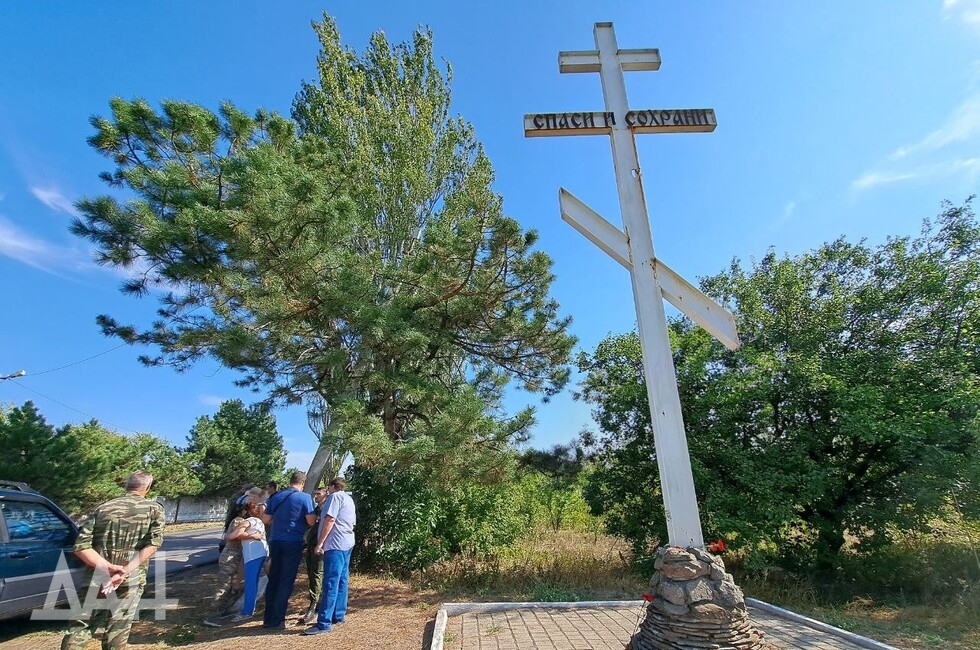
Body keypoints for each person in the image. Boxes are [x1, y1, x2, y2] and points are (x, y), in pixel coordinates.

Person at [62, 471, 165, 650]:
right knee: (118, 626)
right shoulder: (154, 509)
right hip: (130, 579)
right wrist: (124, 571)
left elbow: (80, 546)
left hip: (96, 577)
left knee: (80, 625)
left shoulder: (102, 508)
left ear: (126, 485)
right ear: (147, 488)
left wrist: (108, 568)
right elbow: (153, 544)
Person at [259, 471, 316, 629]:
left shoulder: (277, 497)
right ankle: (278, 620)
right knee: (286, 580)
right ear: (302, 484)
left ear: (290, 481)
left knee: (274, 579)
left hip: (275, 541)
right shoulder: (304, 498)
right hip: (293, 541)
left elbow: (266, 519)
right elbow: (311, 521)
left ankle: (268, 619)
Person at [302, 477, 356, 636]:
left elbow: (330, 520)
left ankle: (323, 623)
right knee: (342, 580)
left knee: (330, 582)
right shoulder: (348, 498)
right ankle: (338, 614)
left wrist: (320, 543)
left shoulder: (334, 497)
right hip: (347, 543)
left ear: (332, 487)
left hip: (335, 544)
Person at [226, 499, 269, 623]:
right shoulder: (259, 522)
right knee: (258, 582)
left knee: (251, 584)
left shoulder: (249, 521)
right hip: (262, 552)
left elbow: (233, 535)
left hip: (253, 555)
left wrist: (228, 536)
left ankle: (247, 611)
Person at [300, 486, 328, 625]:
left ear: (326, 494)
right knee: (311, 574)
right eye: (315, 493)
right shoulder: (316, 509)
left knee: (317, 574)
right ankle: (315, 602)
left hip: (320, 545)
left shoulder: (326, 508)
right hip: (311, 544)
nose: (316, 496)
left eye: (319, 493)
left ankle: (314, 605)